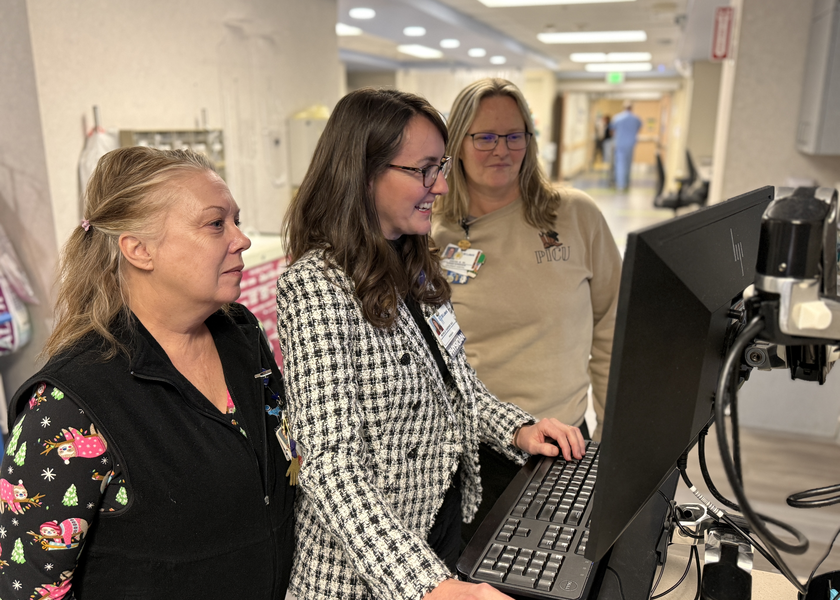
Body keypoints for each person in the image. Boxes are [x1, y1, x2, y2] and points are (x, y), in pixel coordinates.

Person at [276, 87, 586, 600]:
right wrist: (431, 587)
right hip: (367, 571)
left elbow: (456, 386)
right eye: (423, 169)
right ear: (363, 172)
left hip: (437, 532)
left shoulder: (416, 263)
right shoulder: (316, 286)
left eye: (440, 166)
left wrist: (520, 429)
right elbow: (330, 465)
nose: (441, 185)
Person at [0, 147, 295, 598]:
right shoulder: (71, 403)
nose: (241, 239)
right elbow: (26, 587)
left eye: (236, 221)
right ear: (139, 249)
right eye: (216, 224)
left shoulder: (241, 334)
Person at [430, 78, 622, 547]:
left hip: (562, 444)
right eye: (485, 137)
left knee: (558, 573)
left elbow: (614, 325)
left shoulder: (574, 216)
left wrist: (612, 435)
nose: (502, 149)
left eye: (515, 135)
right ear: (457, 143)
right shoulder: (431, 232)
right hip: (470, 452)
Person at [609, 100, 642, 191]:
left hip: (620, 144)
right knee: (628, 164)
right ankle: (626, 182)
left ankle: (621, 184)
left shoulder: (617, 118)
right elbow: (638, 129)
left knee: (620, 164)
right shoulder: (636, 118)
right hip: (631, 144)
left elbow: (612, 131)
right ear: (631, 108)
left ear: (623, 107)